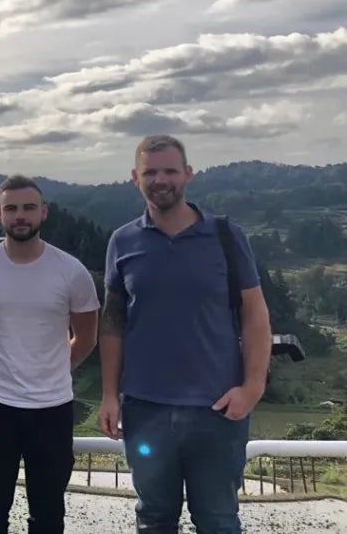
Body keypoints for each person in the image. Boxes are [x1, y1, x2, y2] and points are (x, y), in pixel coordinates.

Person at [97, 135, 272, 534]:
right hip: (145, 409)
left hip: (218, 410)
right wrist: (109, 393)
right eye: (150, 172)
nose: (161, 180)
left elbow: (256, 315)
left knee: (218, 521)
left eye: (170, 170)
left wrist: (253, 386)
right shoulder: (123, 241)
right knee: (154, 519)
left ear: (188, 175)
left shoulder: (227, 236)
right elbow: (113, 323)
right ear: (134, 178)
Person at [0, 174, 100, 534]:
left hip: (52, 408)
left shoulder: (72, 272)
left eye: (29, 208)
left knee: (49, 512)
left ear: (44, 212)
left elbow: (86, 337)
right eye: (12, 208)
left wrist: (50, 369)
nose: (21, 215)